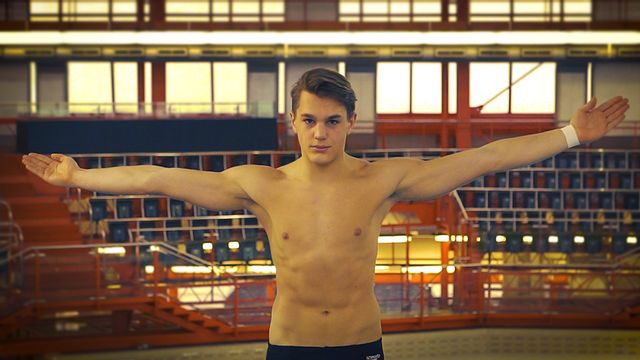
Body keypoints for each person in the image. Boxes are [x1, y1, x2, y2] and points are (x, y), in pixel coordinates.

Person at [21, 68, 629, 360]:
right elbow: (156, 177)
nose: (319, 132)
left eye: (332, 121)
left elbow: (488, 155)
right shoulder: (260, 185)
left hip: (360, 344)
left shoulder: (384, 180)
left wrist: (571, 134)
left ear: (350, 125)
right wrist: (79, 178)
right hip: (290, 347)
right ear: (294, 122)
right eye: (309, 120)